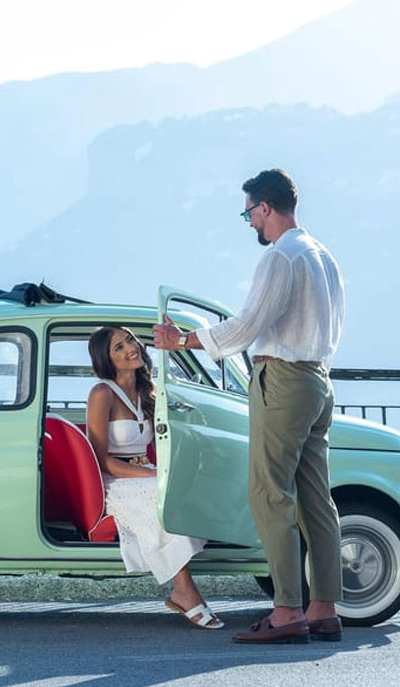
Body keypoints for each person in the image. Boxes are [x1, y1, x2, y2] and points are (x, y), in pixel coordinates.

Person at [153, 168, 346, 644]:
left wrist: (182, 340)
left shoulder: (281, 257)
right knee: (316, 500)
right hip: (319, 380)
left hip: (282, 380)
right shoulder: (324, 256)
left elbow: (247, 325)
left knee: (269, 493)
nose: (250, 224)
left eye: (249, 213)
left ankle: (286, 611)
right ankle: (324, 608)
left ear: (265, 207)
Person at [85, 325, 224, 630]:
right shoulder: (102, 393)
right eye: (118, 348)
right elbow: (100, 460)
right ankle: (183, 589)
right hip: (115, 480)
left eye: (130, 340)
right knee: (160, 494)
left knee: (185, 489)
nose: (130, 349)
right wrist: (151, 474)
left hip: (146, 472)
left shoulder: (149, 389)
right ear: (106, 359)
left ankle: (184, 587)